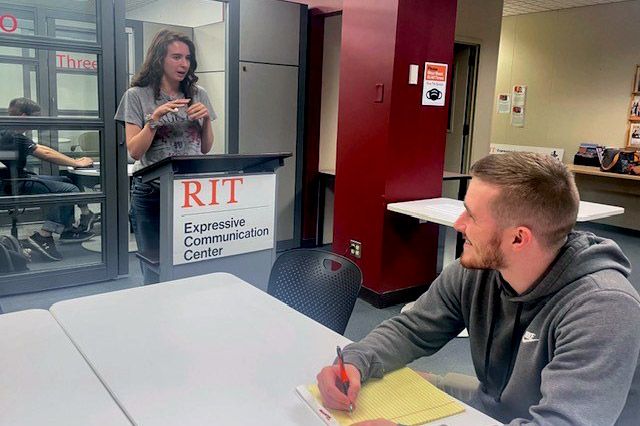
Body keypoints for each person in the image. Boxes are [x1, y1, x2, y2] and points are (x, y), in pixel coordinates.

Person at [316, 152, 640, 426]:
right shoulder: (478, 270)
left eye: (471, 216)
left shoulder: (603, 308)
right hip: (495, 409)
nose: (459, 224)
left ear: (518, 238)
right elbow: (412, 330)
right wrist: (355, 362)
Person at [115, 29, 216, 284]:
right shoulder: (137, 95)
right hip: (151, 193)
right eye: (176, 57)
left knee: (188, 262)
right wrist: (155, 119)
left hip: (190, 194)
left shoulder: (198, 93)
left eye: (188, 58)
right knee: (154, 268)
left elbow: (206, 148)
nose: (184, 64)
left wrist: (205, 120)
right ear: (159, 58)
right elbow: (134, 151)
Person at [0, 98, 96, 261]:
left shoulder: (8, 131)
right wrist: (75, 162)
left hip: (13, 178)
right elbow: (45, 154)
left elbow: (41, 148)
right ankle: (44, 236)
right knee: (70, 191)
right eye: (37, 116)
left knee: (66, 180)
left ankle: (67, 229)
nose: (39, 120)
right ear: (24, 117)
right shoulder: (12, 136)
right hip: (12, 184)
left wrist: (74, 162)